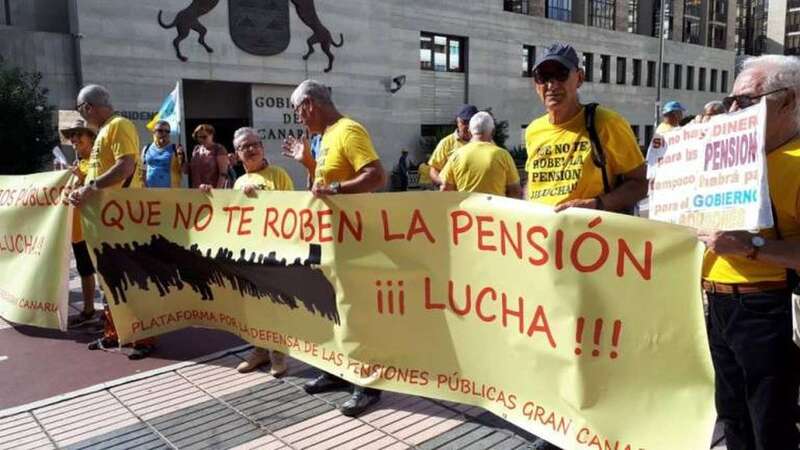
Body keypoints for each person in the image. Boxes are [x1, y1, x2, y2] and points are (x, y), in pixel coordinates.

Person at [697, 54, 800, 450]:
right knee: (733, 415)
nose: (734, 111)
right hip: (717, 303)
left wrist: (753, 247)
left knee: (770, 422)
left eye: (746, 101)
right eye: (731, 101)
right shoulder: (731, 154)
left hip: (767, 307)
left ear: (788, 100)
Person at [282, 79, 385, 417]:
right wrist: (308, 164)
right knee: (333, 310)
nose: (298, 118)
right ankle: (338, 370)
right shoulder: (323, 137)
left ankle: (367, 385)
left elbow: (376, 176)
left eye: (298, 111)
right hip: (330, 243)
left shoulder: (348, 130)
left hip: (354, 243)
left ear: (310, 104)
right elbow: (322, 185)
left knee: (356, 314)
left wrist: (337, 189)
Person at [67, 84, 155, 359]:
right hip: (106, 221)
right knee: (108, 280)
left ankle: (143, 337)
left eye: (81, 110)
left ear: (88, 107)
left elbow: (126, 166)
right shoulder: (105, 130)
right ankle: (114, 332)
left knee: (130, 280)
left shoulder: (119, 125)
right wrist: (85, 190)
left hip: (122, 219)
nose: (82, 116)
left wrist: (90, 187)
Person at [204, 127, 294, 377]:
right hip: (249, 254)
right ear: (236, 154)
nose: (251, 149)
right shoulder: (239, 182)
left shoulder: (279, 175)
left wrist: (261, 198)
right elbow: (230, 216)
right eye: (245, 146)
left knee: (275, 306)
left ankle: (279, 355)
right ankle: (259, 350)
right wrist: (208, 196)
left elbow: (293, 211)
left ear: (262, 148)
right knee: (254, 306)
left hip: (275, 253)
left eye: (255, 144)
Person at [525, 42, 646, 213]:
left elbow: (641, 183)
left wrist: (597, 204)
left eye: (561, 74)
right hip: (543, 229)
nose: (551, 85)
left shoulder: (607, 123)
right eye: (543, 76)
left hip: (591, 229)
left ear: (579, 78)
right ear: (536, 84)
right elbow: (533, 184)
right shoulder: (533, 130)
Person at [60, 119, 99, 327]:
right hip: (77, 229)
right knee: (85, 271)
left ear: (90, 138)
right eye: (72, 135)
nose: (74, 139)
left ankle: (111, 317)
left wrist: (82, 178)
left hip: (94, 228)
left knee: (103, 272)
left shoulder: (97, 162)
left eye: (78, 134)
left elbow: (100, 188)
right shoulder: (78, 164)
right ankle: (89, 310)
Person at [440, 112, 521, 198]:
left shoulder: (457, 155)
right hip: (495, 206)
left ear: (469, 132)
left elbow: (445, 188)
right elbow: (515, 190)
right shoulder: (503, 155)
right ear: (493, 132)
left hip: (466, 206)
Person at [428, 105, 478, 186]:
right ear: (457, 122)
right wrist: (442, 183)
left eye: (471, 122)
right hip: (453, 192)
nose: (468, 126)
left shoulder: (485, 142)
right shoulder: (446, 143)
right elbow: (434, 170)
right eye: (464, 122)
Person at [141, 120, 185, 188]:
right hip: (149, 191)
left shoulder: (176, 149)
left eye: (167, 131)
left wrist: (182, 157)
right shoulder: (147, 148)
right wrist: (144, 186)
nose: (164, 133)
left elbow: (184, 170)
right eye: (160, 130)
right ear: (154, 132)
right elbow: (142, 170)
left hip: (170, 191)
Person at [189, 124, 230, 189]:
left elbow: (223, 174)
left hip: (212, 190)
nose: (201, 140)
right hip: (196, 190)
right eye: (199, 137)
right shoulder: (196, 150)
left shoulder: (219, 149)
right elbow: (189, 170)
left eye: (204, 137)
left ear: (212, 135)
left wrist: (217, 191)